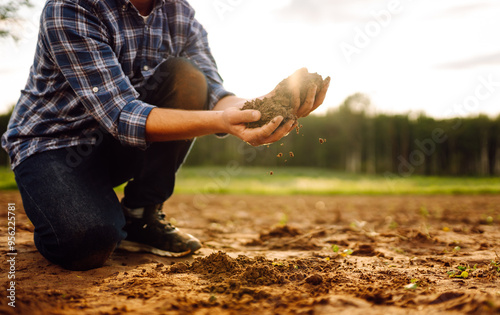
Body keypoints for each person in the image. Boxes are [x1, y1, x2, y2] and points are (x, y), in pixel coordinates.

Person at [1, 0, 330, 271]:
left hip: (120, 144)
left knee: (189, 77)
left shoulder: (179, 13)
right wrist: (223, 122)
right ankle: (61, 209)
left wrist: (264, 107)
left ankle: (140, 216)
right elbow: (121, 113)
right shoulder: (71, 7)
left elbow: (215, 94)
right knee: (86, 242)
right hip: (53, 147)